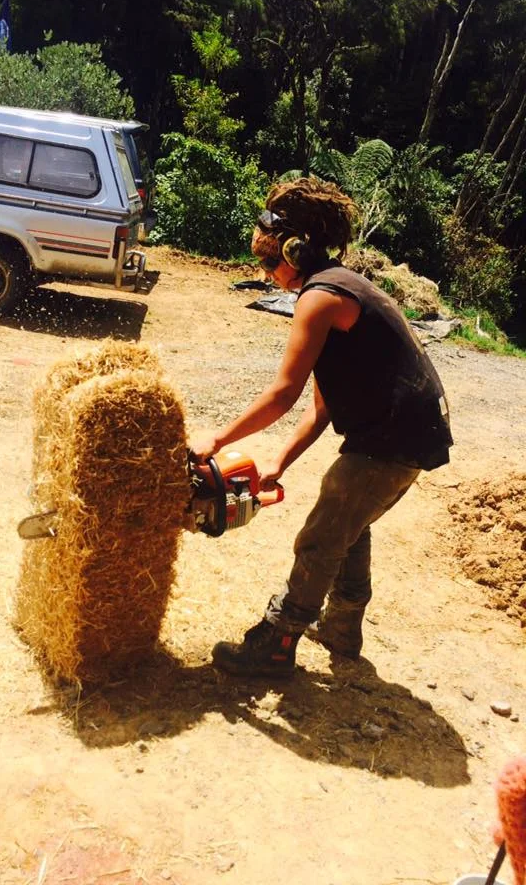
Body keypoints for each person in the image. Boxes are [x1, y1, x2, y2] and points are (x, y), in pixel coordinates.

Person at [190, 177, 453, 678]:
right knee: (349, 522)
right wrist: (279, 461)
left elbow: (283, 393)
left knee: (323, 534)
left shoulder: (322, 296)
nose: (267, 274)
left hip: (395, 437)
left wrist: (217, 438)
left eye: (270, 261)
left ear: (296, 249)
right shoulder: (342, 285)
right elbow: (322, 405)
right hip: (410, 431)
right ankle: (341, 628)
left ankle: (276, 642)